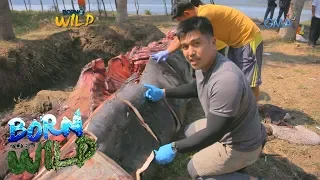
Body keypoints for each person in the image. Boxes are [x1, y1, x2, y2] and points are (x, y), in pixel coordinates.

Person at [143, 16, 266, 180]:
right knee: (189, 131)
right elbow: (196, 87)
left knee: (195, 170)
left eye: (196, 43)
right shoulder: (205, 64)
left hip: (241, 145)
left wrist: (174, 147)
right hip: (234, 129)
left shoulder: (226, 79)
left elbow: (213, 133)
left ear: (213, 43)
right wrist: (164, 92)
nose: (190, 52)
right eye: (185, 46)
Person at [151, 1, 263, 102]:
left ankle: (253, 109)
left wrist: (167, 51)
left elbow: (185, 34)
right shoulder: (203, 12)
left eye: (181, 20)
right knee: (237, 75)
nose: (181, 24)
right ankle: (240, 102)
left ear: (187, 14)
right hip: (235, 42)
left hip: (248, 37)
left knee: (250, 79)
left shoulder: (204, 14)